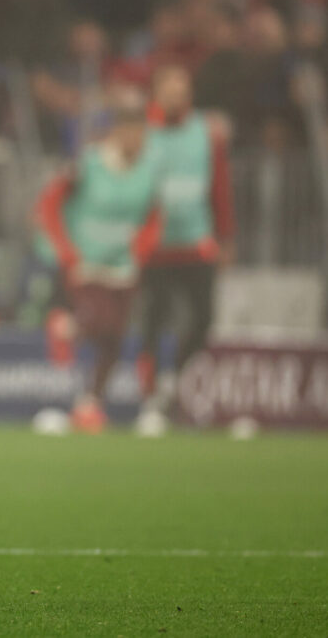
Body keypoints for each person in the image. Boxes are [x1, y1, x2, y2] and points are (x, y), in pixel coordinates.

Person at [34, 88, 163, 432]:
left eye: (142, 132)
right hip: (85, 262)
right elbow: (50, 204)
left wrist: (141, 248)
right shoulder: (89, 164)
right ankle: (67, 328)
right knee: (101, 321)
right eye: (130, 130)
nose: (136, 139)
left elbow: (153, 215)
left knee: (115, 339)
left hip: (123, 265)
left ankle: (90, 403)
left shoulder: (148, 171)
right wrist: (65, 249)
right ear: (117, 132)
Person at [139, 64, 234, 415]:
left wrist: (226, 237)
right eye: (169, 91)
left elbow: (220, 188)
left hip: (197, 242)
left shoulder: (207, 133)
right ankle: (151, 392)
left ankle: (173, 377)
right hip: (156, 246)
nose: (176, 97)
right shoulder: (144, 133)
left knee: (203, 319)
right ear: (157, 94)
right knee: (153, 319)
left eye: (182, 91)